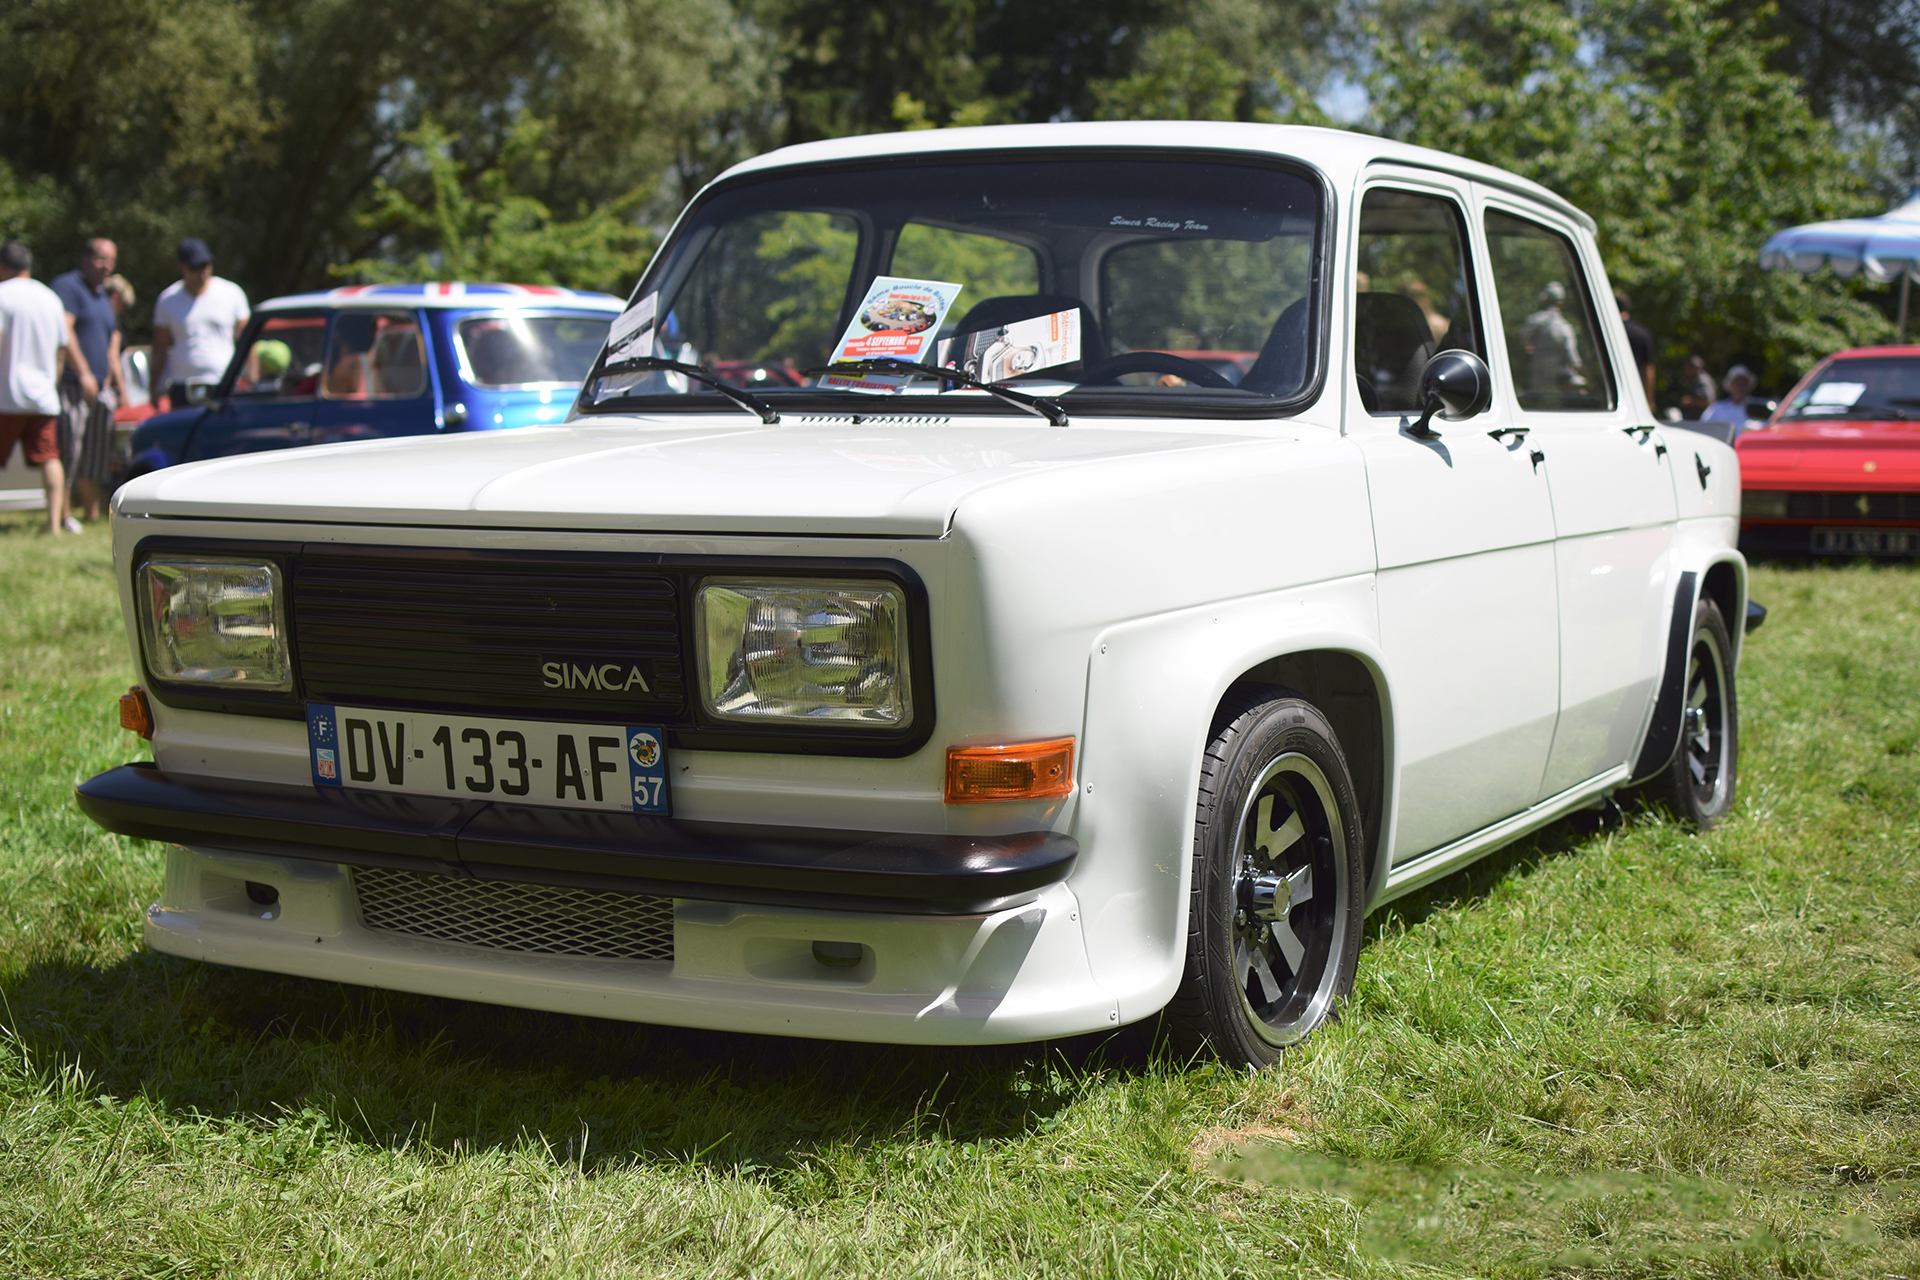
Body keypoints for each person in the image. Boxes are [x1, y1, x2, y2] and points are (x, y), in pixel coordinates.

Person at [0, 240, 96, 535]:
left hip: (6, 395)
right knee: (49, 457)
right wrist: (50, 383)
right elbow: (61, 349)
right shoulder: (50, 298)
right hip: (43, 396)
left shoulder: (3, 295)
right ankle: (54, 524)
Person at [51, 237, 125, 525]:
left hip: (99, 388)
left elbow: (109, 344)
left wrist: (109, 380)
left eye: (111, 261)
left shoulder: (102, 297)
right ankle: (62, 514)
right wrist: (82, 372)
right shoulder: (69, 287)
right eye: (100, 259)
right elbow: (64, 330)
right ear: (85, 259)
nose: (106, 266)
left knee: (95, 454)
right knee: (69, 449)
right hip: (73, 383)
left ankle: (92, 513)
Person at [151, 237, 248, 409]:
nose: (202, 272)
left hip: (224, 383)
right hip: (183, 386)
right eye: (195, 267)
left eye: (206, 265)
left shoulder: (232, 293)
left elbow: (246, 342)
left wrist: (252, 382)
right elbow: (160, 348)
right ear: (181, 267)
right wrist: (153, 389)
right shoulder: (167, 300)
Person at [1520, 280, 1586, 398]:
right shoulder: (1565, 326)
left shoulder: (1535, 320)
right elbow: (1572, 355)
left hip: (1540, 369)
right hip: (1558, 374)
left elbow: (1524, 336)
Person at [1615, 289, 1655, 405]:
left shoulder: (1608, 333)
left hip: (1612, 389)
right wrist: (1649, 400)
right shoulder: (1642, 333)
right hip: (1635, 393)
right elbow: (1648, 369)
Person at [1701, 364, 1758, 433]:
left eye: (1743, 383)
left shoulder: (1759, 407)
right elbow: (1703, 427)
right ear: (1730, 386)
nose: (1740, 387)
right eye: (1737, 383)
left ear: (1748, 386)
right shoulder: (1717, 408)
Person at [1678, 355, 1716, 420]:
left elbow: (1709, 401)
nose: (1685, 370)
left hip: (1704, 419)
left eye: (1688, 367)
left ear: (1695, 368)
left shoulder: (1703, 380)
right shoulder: (1694, 379)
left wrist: (1690, 401)